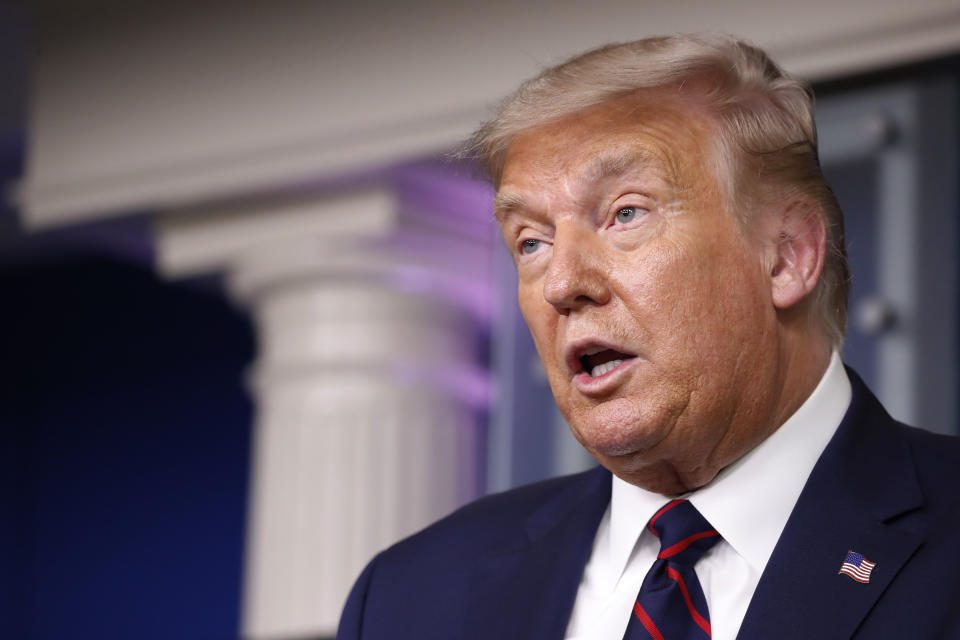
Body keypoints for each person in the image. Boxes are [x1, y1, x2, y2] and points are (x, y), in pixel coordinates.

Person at [336, 34, 960, 639]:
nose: (561, 284)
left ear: (786, 257)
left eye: (625, 213)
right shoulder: (409, 597)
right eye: (531, 241)